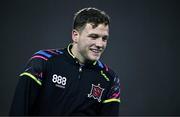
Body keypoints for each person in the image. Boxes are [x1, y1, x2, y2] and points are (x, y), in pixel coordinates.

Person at [9, 7, 121, 116]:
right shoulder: (43, 61)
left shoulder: (110, 79)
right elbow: (19, 110)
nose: (100, 44)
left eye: (104, 38)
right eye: (93, 36)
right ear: (75, 35)